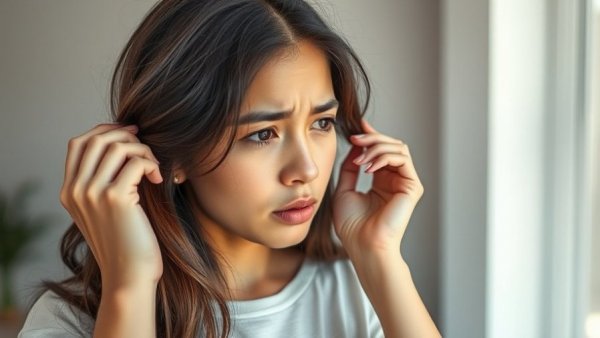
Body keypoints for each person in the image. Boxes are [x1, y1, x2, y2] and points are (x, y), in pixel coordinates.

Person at [18, 0, 440, 337]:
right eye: (262, 134)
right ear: (175, 155)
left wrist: (380, 258)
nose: (307, 169)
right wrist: (129, 285)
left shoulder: (359, 292)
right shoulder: (73, 321)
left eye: (322, 124)